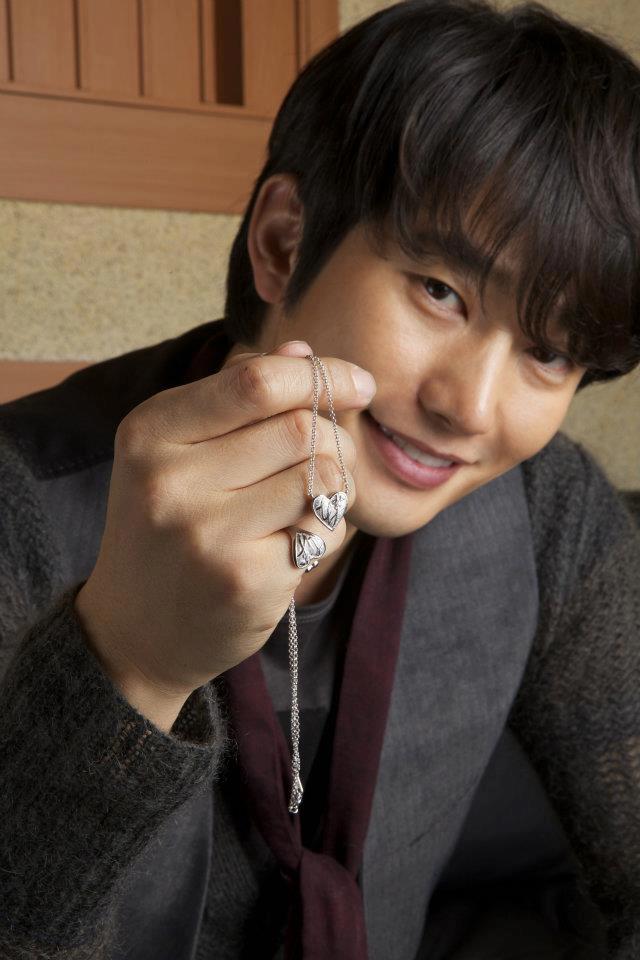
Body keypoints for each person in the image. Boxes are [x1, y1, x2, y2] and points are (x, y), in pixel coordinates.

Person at [1, 0, 639, 957]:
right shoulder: (22, 501)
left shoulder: (550, 510)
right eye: (439, 291)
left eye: (548, 352)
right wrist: (129, 665)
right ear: (283, 242)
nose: (470, 407)